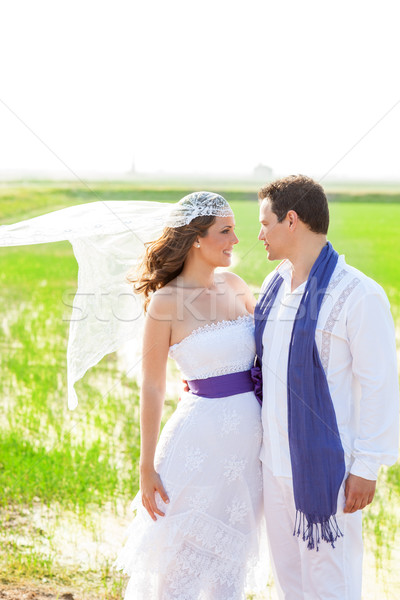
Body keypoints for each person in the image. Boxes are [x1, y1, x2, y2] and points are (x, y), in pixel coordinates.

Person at [114, 191, 266, 599]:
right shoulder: (165, 302)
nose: (237, 239)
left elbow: (269, 353)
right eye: (226, 230)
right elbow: (152, 386)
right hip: (197, 445)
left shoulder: (236, 286)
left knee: (228, 571)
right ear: (197, 238)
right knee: (178, 570)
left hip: (248, 452)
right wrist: (146, 467)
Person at [254, 175, 399, 599]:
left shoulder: (358, 294)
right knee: (288, 583)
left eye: (265, 223)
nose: (259, 234)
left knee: (330, 584)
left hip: (328, 472)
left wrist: (366, 467)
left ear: (292, 220)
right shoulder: (273, 286)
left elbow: (379, 387)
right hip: (273, 461)